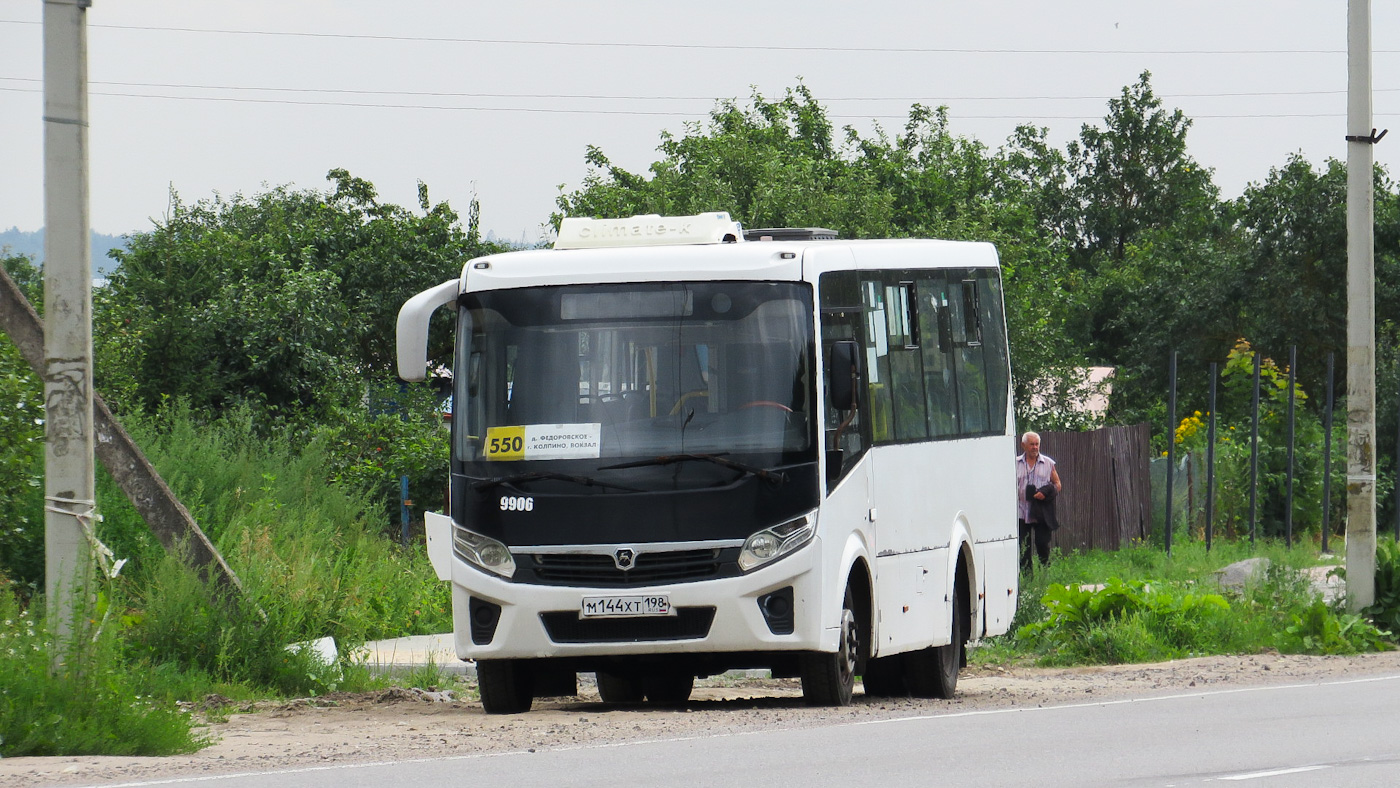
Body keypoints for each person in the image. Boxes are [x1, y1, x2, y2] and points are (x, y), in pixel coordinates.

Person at [1017, 431, 1062, 571]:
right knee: (1024, 548)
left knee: (1042, 544)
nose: (1035, 447)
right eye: (1031, 444)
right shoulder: (1015, 463)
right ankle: (1028, 579)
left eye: (1037, 444)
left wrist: (1045, 492)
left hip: (1041, 512)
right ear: (1023, 445)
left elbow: (1058, 484)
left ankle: (1045, 574)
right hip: (1020, 511)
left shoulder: (1048, 463)